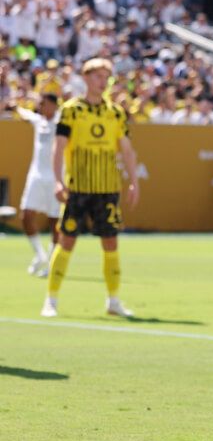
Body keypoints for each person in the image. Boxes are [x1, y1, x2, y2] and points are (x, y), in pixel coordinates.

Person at [43, 58, 139, 318]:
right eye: (97, 76)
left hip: (108, 187)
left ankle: (113, 300)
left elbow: (127, 150)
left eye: (106, 77)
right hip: (78, 187)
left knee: (111, 242)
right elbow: (59, 147)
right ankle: (51, 299)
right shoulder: (71, 110)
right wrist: (58, 180)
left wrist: (133, 181)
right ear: (85, 78)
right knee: (67, 240)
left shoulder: (115, 112)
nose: (102, 81)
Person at [4, 94, 62, 277]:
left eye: (43, 104)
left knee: (55, 221)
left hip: (55, 178)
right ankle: (40, 255)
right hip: (36, 176)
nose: (40, 107)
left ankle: (52, 263)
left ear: (53, 105)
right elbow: (25, 114)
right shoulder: (38, 121)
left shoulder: (62, 122)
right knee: (26, 215)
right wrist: (14, 107)